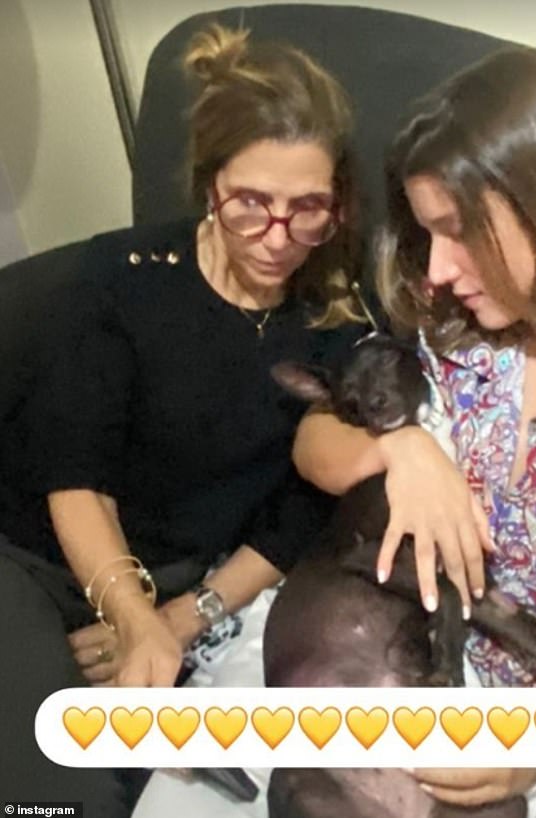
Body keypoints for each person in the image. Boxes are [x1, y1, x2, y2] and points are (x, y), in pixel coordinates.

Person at [0, 23, 368, 815]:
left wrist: (177, 618)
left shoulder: (335, 327)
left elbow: (294, 516)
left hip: (184, 592)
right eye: (250, 206)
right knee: (49, 798)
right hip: (38, 565)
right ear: (209, 188)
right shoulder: (119, 282)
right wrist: (132, 617)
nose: (278, 239)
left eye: (308, 210)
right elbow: (76, 480)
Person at [293, 45, 536, 818]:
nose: (439, 268)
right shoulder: (461, 333)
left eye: (460, 231)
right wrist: (398, 448)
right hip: (385, 652)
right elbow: (313, 441)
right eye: (427, 233)